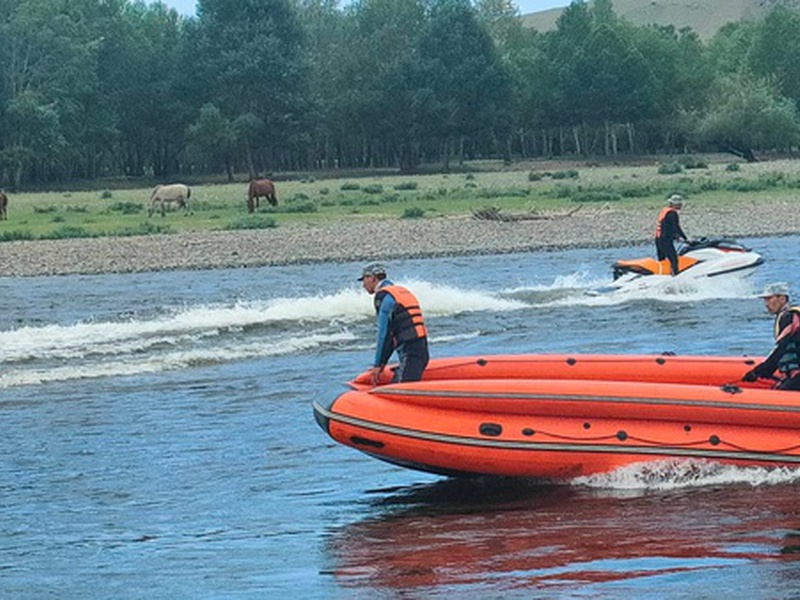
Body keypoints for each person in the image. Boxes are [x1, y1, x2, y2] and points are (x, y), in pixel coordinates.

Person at [358, 262, 429, 386]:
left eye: (364, 280)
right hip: (422, 350)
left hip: (410, 353)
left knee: (402, 390)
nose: (363, 285)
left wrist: (377, 365)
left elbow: (384, 334)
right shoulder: (401, 291)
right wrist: (383, 363)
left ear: (372, 278)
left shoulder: (383, 296)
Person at [743, 282, 800, 390]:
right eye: (765, 300)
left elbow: (780, 348)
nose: (766, 304)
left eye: (769, 299)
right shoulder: (788, 316)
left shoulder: (789, 318)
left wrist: (759, 371)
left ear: (782, 299)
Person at [655, 194, 689, 276]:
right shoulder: (672, 213)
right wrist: (685, 238)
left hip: (658, 238)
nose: (681, 205)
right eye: (680, 204)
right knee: (674, 259)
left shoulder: (665, 210)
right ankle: (675, 276)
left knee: (662, 259)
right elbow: (676, 227)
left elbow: (666, 226)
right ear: (675, 204)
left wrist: (675, 236)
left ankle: (662, 275)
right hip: (665, 240)